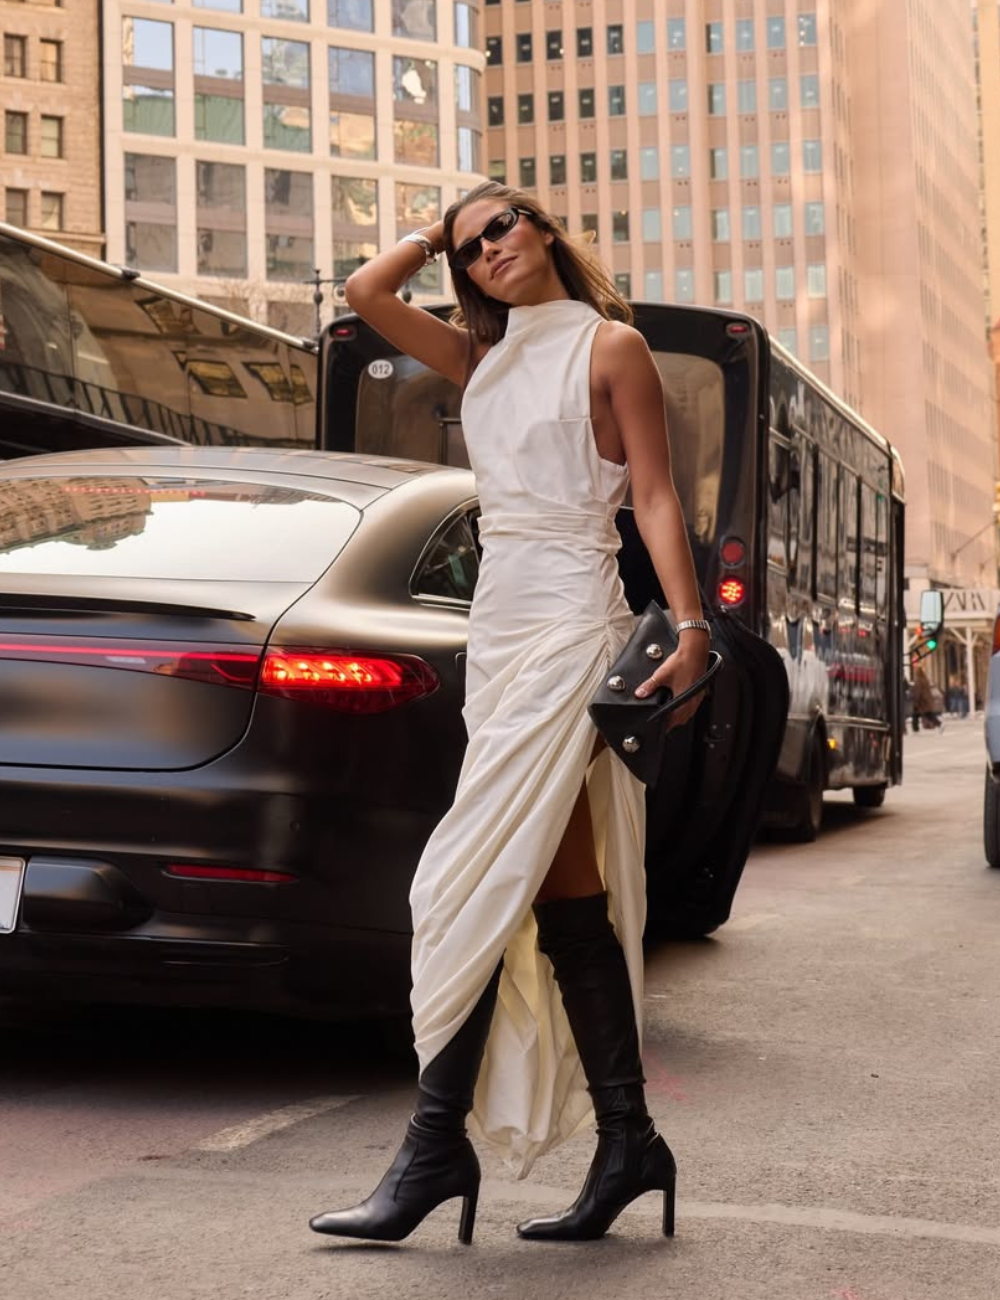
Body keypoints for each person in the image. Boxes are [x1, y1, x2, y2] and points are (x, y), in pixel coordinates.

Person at [308, 182, 710, 1246]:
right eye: (467, 247)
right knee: (554, 888)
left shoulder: (609, 347)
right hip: (498, 635)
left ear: (541, 228)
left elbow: (657, 497)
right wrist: (429, 229)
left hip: (575, 627)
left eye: (501, 226)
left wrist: (690, 627)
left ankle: (434, 1151)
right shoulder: (479, 359)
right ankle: (628, 1142)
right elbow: (361, 291)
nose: (488, 251)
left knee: (466, 879)